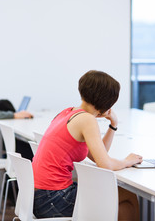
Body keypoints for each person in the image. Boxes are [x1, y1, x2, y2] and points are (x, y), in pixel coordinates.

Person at [32, 70, 143, 221]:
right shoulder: (87, 120)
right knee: (128, 195)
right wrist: (127, 161)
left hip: (38, 196)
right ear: (107, 102)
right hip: (53, 198)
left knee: (117, 197)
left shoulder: (68, 112)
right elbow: (105, 164)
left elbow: (97, 155)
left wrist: (113, 125)